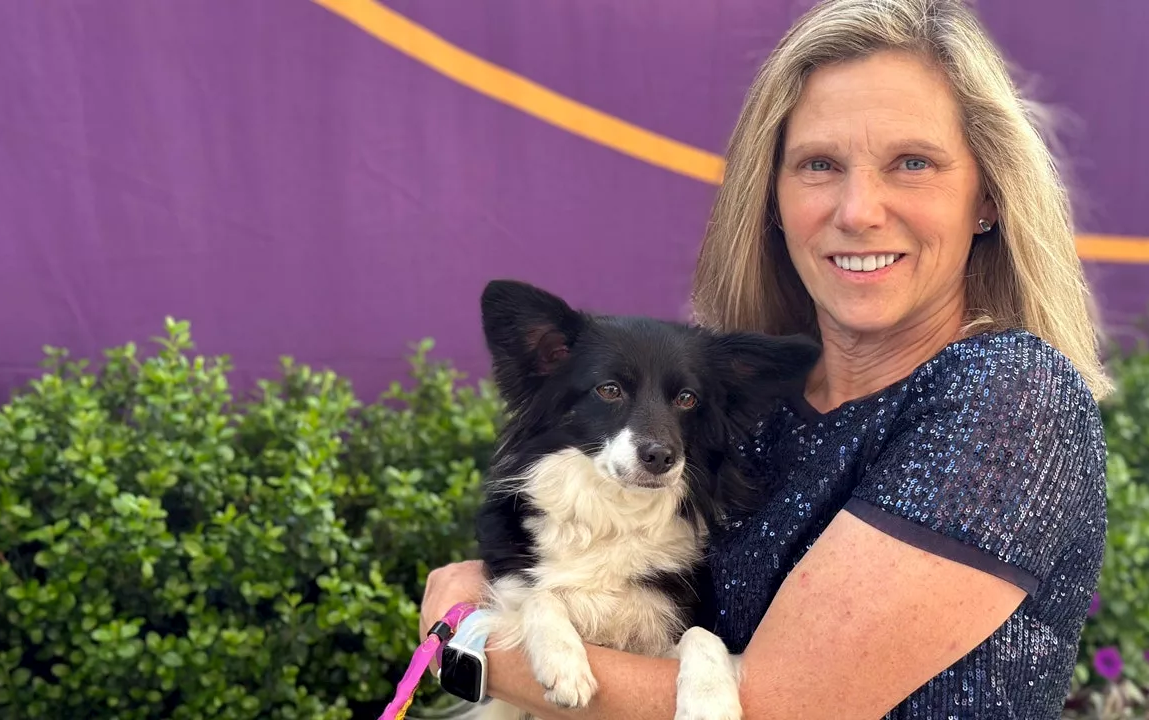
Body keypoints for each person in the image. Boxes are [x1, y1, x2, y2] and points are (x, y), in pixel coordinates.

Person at [419, 0, 1113, 717]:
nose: (858, 210)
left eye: (912, 162)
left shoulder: (1011, 396)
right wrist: (514, 585)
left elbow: (783, 705)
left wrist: (472, 642)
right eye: (819, 164)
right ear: (773, 198)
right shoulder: (743, 408)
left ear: (987, 198)